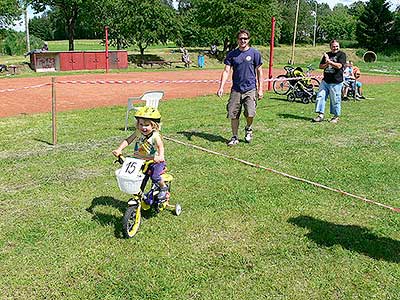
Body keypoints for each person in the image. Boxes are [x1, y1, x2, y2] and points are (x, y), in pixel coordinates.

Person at [217, 29, 263, 146]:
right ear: (237, 40)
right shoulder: (232, 54)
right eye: (240, 38)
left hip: (250, 89)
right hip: (236, 89)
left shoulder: (254, 53)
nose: (243, 40)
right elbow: (226, 71)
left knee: (250, 113)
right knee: (233, 114)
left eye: (245, 38)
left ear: (249, 40)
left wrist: (260, 89)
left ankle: (248, 128)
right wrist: (221, 87)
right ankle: (234, 137)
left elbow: (259, 71)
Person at [112, 106, 168, 200]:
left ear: (153, 125)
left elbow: (160, 146)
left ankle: (163, 188)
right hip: (140, 161)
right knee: (138, 179)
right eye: (141, 124)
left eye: (147, 125)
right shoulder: (138, 132)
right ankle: (140, 199)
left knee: (155, 176)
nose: (143, 127)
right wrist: (119, 149)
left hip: (154, 161)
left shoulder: (155, 136)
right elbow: (128, 140)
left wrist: (161, 156)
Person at [312, 40, 346, 124]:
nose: (335, 48)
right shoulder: (327, 55)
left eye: (337, 46)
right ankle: (320, 115)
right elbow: (320, 66)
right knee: (320, 96)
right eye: (333, 46)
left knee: (335, 99)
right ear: (330, 47)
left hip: (336, 82)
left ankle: (336, 116)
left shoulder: (342, 55)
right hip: (325, 81)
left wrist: (329, 61)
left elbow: (339, 66)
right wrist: (326, 64)